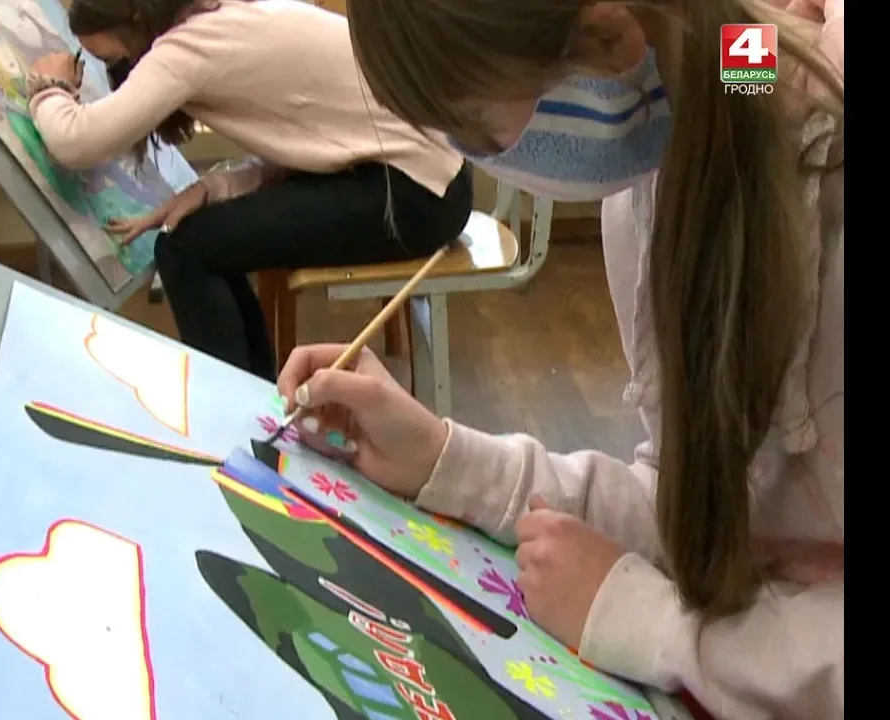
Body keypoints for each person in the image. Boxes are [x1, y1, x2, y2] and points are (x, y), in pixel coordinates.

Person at [278, 0, 844, 718]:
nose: (482, 157)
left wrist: (657, 627)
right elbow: (713, 505)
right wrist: (446, 460)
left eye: (478, 130)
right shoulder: (667, 171)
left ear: (609, 37)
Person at [22, 0, 473, 381]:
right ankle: (255, 400)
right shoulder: (220, 16)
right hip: (422, 180)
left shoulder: (188, 47)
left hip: (414, 194)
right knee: (200, 241)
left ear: (134, 26)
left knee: (187, 250)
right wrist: (215, 188)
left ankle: (237, 414)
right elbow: (312, 145)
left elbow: (77, 142)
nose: (117, 70)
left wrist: (50, 88)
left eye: (110, 58)